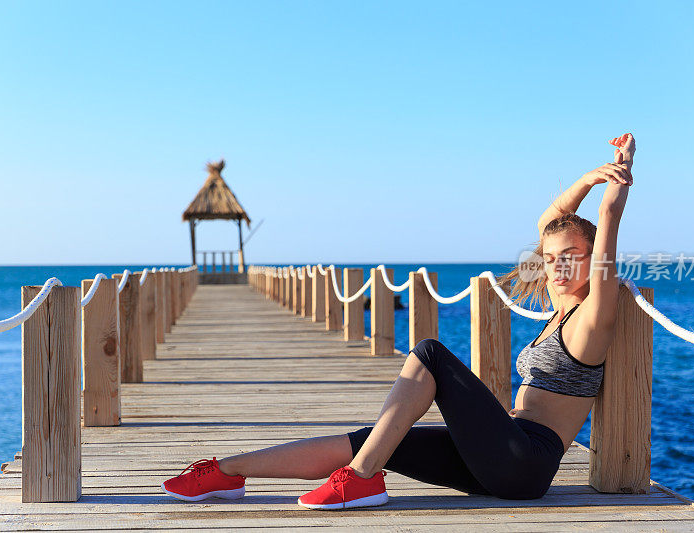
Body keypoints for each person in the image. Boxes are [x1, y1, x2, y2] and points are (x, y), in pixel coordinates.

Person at [159, 133, 636, 510]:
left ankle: (361, 481)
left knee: (429, 351)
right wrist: (586, 177)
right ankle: (226, 472)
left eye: (571, 256)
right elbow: (548, 223)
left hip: (525, 462)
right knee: (375, 439)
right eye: (550, 258)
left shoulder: (593, 317)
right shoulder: (558, 313)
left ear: (593, 260)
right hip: (500, 456)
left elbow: (605, 227)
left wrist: (615, 183)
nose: (555, 265)